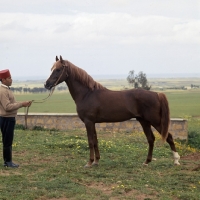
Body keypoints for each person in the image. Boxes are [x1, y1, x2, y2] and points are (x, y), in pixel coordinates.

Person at [0, 69, 32, 168]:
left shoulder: (6, 89)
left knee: (7, 140)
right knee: (7, 141)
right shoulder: (3, 91)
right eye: (9, 78)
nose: (11, 79)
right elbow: (7, 107)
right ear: (3, 79)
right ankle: (8, 162)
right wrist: (22, 104)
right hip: (6, 119)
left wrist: (23, 104)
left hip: (8, 118)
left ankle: (7, 161)